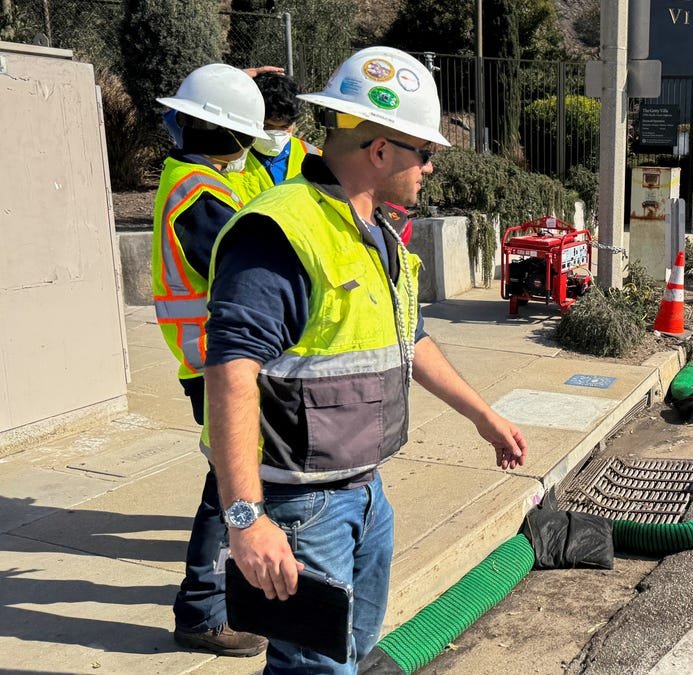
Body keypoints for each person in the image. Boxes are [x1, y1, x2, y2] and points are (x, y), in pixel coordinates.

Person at [202, 46, 528, 672]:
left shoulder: (373, 231)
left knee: (350, 651)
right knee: (315, 666)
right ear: (379, 151)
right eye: (424, 153)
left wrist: (482, 416)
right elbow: (230, 374)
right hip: (302, 505)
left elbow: (412, 341)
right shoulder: (280, 233)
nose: (429, 168)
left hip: (365, 492)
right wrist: (245, 519)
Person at [151, 64, 271, 656]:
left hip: (211, 359)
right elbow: (243, 261)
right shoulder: (198, 194)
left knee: (236, 481)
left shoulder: (198, 179)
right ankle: (200, 613)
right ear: (232, 139)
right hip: (214, 363)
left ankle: (228, 593)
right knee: (228, 487)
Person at [238, 71, 320, 199]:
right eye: (267, 126)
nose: (275, 135)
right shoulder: (231, 157)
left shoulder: (314, 157)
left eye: (284, 127)